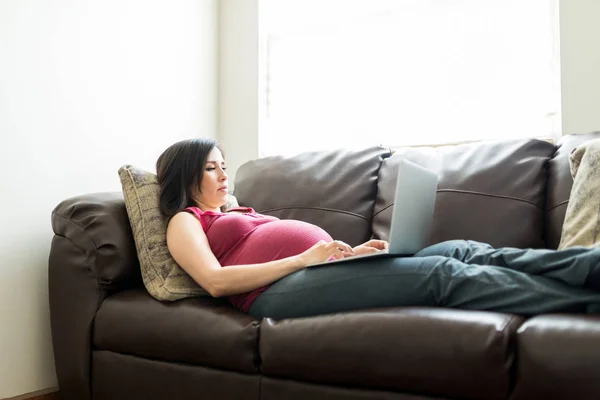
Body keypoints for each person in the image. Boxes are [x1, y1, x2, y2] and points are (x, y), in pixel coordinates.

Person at [157, 138, 600, 319]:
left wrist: (351, 252)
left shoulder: (240, 210)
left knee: (459, 250)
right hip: (271, 294)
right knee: (439, 276)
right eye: (211, 168)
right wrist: (305, 258)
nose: (223, 175)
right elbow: (215, 282)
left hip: (315, 273)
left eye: (224, 166)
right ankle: (585, 301)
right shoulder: (186, 220)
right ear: (186, 176)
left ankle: (590, 265)